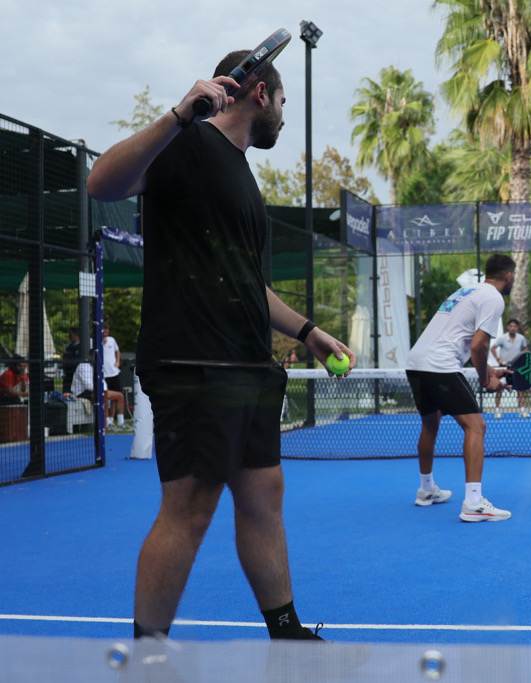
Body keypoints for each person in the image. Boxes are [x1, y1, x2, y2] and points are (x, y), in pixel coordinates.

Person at [87, 46, 354, 642]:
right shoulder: (185, 143)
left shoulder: (241, 173)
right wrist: (179, 114)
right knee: (191, 503)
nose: (284, 117)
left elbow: (250, 285)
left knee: (264, 492)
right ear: (259, 93)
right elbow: (100, 183)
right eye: (284, 102)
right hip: (192, 362)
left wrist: (308, 332)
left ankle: (284, 630)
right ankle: (147, 655)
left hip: (246, 364)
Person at [405, 254, 515, 522]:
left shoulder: (467, 291)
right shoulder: (494, 298)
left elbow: (461, 341)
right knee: (476, 426)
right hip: (439, 365)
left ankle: (427, 490)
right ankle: (474, 504)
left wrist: (488, 370)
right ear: (509, 276)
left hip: (416, 362)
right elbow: (478, 346)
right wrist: (485, 379)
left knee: (431, 422)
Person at [70, 351, 127, 431]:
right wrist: (103, 391)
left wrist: (105, 391)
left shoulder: (98, 366)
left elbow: (103, 382)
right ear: (89, 356)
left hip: (96, 390)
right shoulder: (83, 366)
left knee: (119, 395)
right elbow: (88, 385)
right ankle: (106, 423)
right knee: (105, 396)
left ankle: (119, 423)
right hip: (82, 393)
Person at [490, 318, 529, 418]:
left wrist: (523, 359)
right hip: (504, 368)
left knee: (520, 389)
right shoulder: (502, 338)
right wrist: (499, 360)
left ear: (517, 328)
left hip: (517, 368)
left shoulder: (521, 338)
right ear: (508, 327)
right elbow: (492, 348)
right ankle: (497, 410)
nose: (513, 328)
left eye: (515, 326)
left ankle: (522, 410)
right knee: (499, 388)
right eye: (511, 326)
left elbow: (525, 349)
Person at [101, 323, 122, 396]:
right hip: (103, 374)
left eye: (107, 332)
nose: (106, 334)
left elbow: (117, 351)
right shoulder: (94, 341)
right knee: (106, 395)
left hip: (113, 372)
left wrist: (117, 361)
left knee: (118, 394)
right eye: (104, 332)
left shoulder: (112, 339)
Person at [61, 327, 82, 394]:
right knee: (66, 391)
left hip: (76, 373)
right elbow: (64, 357)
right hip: (68, 373)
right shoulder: (68, 347)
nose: (69, 337)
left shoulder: (81, 346)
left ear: (76, 335)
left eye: (71, 335)